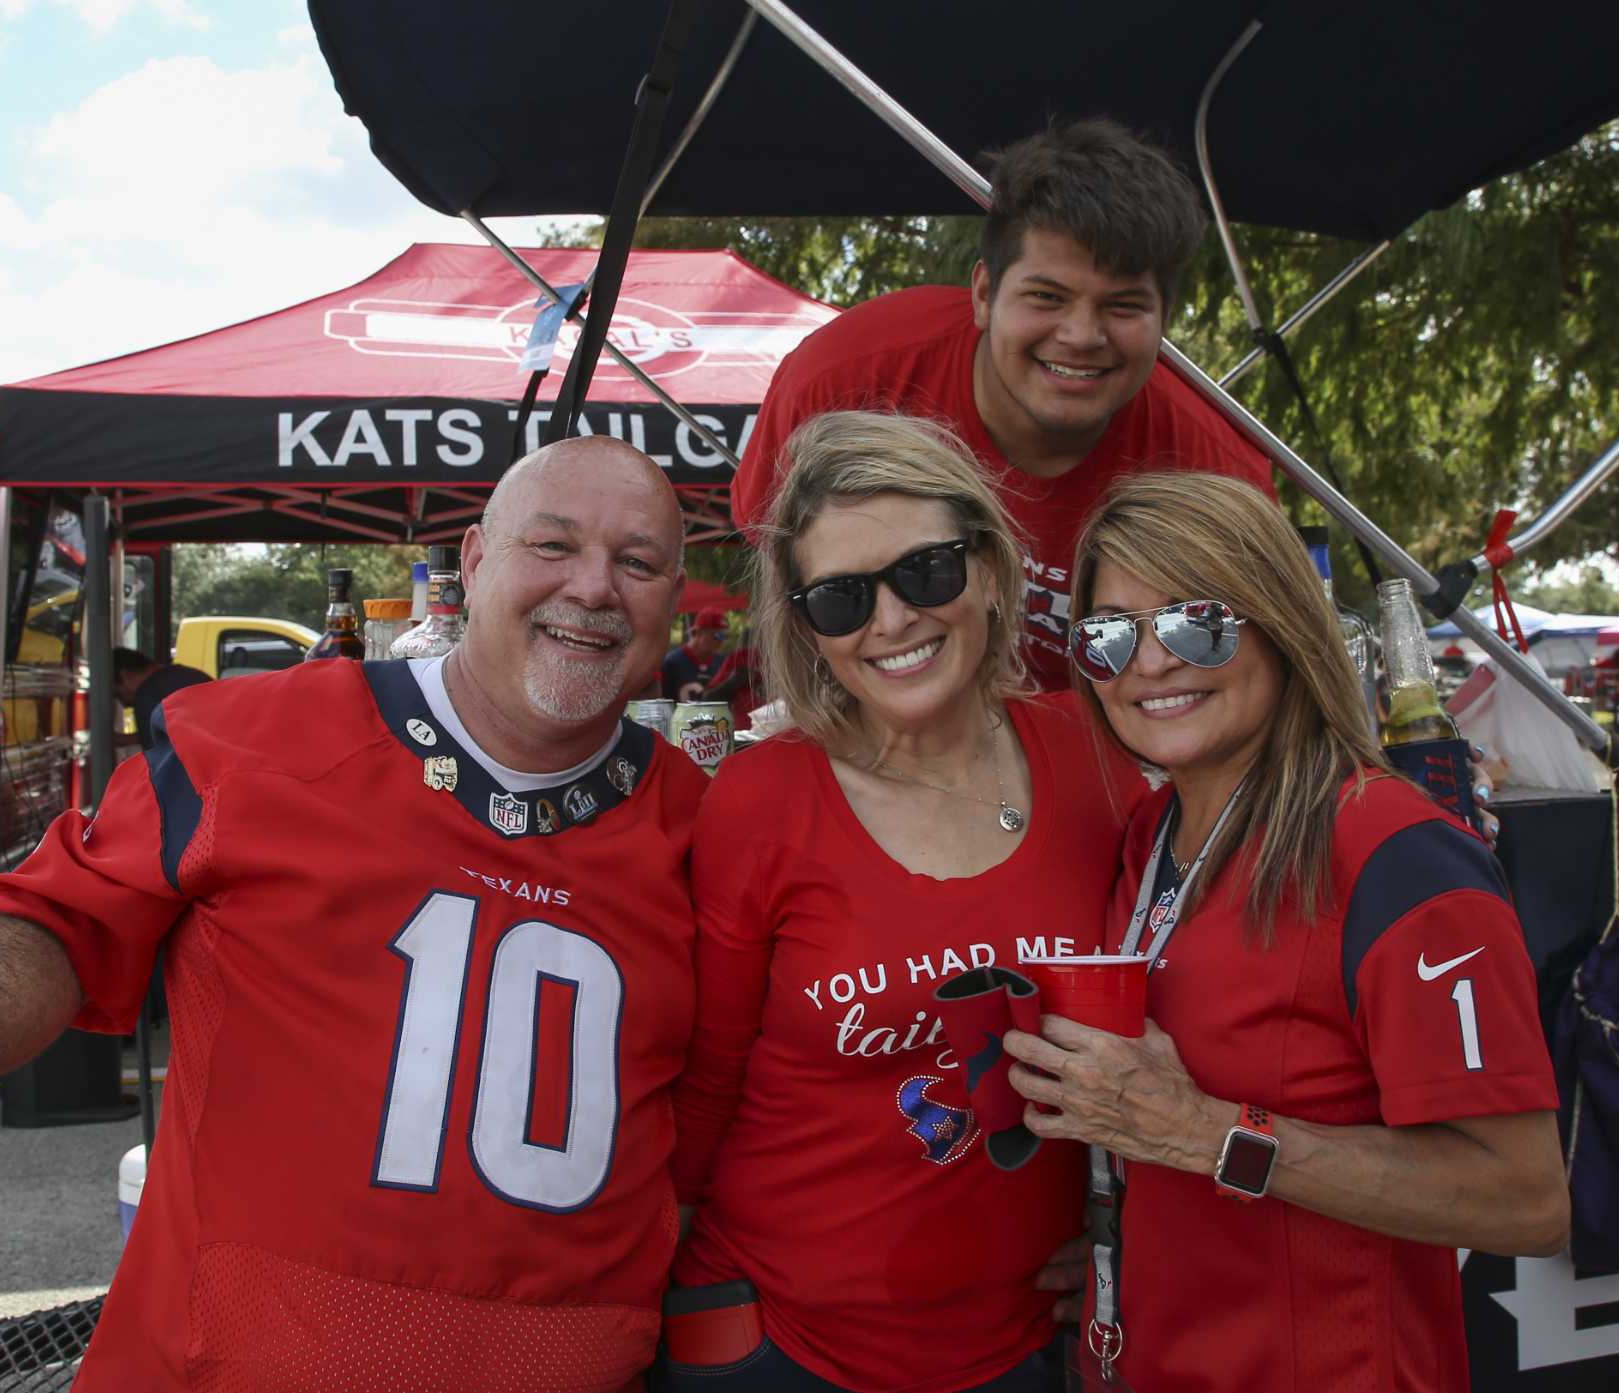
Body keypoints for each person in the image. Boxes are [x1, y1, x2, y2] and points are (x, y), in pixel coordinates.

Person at [0, 437, 710, 1393]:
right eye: (553, 544)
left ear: (672, 594)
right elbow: (52, 920)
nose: (591, 586)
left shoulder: (709, 827)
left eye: (638, 561)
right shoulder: (252, 741)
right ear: (476, 559)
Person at [1004, 472, 1567, 1391]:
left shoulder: (1397, 853)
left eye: (1198, 622)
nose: (1149, 665)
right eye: (1108, 635)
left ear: (1280, 624)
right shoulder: (1151, 838)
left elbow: (1526, 1197)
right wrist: (1123, 1241)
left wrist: (1208, 1133)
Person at [669, 412, 1148, 1392]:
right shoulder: (760, 801)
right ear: (802, 623)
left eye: (923, 572)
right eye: (839, 599)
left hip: (1023, 1349)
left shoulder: (1098, 760)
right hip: (778, 1345)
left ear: (987, 566)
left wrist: (1121, 1232)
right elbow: (702, 1088)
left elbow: (1169, 1030)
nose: (889, 622)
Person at [730, 118, 1274, 691]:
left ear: (1165, 320)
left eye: (1123, 306)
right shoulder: (842, 378)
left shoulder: (1216, 464)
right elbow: (785, 598)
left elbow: (1250, 675)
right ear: (985, 294)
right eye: (1047, 297)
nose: (1082, 335)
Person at [111, 646, 210, 745]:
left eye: (118, 695)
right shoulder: (189, 675)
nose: (125, 706)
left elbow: (160, 756)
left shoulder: (147, 695)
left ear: (126, 676)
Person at [662, 606, 730, 701]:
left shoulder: (721, 662)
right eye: (718, 635)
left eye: (725, 636)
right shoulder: (672, 662)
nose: (721, 641)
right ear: (698, 632)